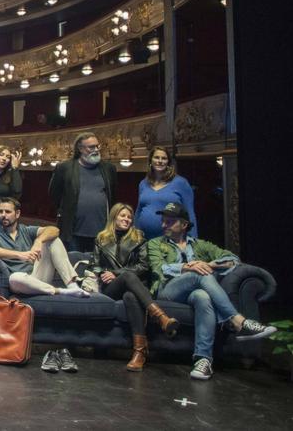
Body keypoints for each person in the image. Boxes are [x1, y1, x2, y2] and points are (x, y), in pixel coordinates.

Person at [147, 203, 275, 380]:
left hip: (193, 293)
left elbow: (232, 259)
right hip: (168, 290)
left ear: (184, 225)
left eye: (170, 221)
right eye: (163, 221)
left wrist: (209, 264)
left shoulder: (200, 245)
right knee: (200, 275)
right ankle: (237, 320)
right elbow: (159, 268)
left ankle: (203, 360)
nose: (164, 225)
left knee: (203, 296)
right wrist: (187, 267)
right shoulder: (155, 244)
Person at [0, 197, 88, 373]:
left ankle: (72, 285)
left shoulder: (26, 230)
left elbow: (54, 229)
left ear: (17, 214)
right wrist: (20, 255)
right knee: (15, 278)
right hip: (21, 281)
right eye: (1, 212)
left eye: (7, 211)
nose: (3, 215)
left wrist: (38, 241)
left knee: (52, 239)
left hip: (38, 276)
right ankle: (60, 291)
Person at [94, 203, 180, 372]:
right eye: (122, 216)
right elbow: (95, 266)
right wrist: (108, 274)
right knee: (126, 276)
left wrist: (117, 272)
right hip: (110, 288)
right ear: (114, 217)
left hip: (133, 288)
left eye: (129, 217)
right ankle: (161, 317)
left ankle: (139, 352)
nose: (126, 219)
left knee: (130, 297)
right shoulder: (101, 238)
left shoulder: (139, 238)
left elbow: (143, 266)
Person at [48, 131, 117, 253]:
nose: (96, 149)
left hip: (102, 232)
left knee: (97, 269)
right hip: (73, 232)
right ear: (80, 148)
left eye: (97, 146)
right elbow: (54, 195)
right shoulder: (64, 168)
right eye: (91, 147)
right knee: (74, 266)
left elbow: (113, 196)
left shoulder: (109, 169)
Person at [136, 146, 197, 239]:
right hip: (144, 239)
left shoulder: (181, 183)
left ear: (168, 162)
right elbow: (139, 211)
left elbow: (190, 213)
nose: (160, 161)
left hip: (171, 239)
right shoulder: (143, 183)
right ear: (150, 161)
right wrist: (134, 233)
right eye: (156, 157)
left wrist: (193, 240)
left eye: (164, 158)